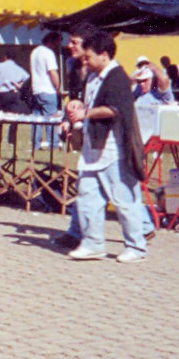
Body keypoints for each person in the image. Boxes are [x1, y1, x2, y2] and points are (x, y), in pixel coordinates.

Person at [64, 26, 149, 262]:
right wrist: (77, 107)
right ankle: (93, 243)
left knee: (124, 200)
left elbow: (115, 109)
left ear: (104, 54)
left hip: (115, 150)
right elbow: (90, 104)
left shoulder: (117, 77)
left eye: (89, 57)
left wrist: (86, 113)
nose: (86, 61)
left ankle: (137, 247)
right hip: (93, 150)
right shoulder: (92, 77)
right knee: (87, 198)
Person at [29, 32, 62, 147]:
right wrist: (58, 87)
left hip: (36, 89)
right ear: (53, 41)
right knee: (51, 119)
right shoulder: (49, 53)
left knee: (37, 119)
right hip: (48, 89)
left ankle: (35, 143)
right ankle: (53, 143)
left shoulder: (35, 52)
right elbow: (53, 72)